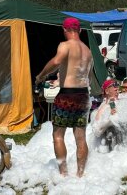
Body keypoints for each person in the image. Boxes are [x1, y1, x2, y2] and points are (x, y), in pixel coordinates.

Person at [35, 17, 94, 177]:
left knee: (58, 135)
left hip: (67, 94)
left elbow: (56, 61)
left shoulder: (65, 45)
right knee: (80, 137)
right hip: (83, 95)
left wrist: (41, 76)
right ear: (80, 30)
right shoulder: (88, 51)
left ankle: (63, 173)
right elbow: (88, 76)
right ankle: (80, 174)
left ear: (64, 30)